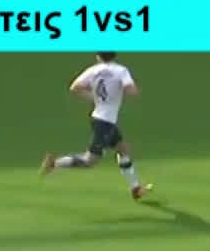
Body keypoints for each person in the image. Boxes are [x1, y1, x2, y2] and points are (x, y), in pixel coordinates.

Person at [40, 52, 149, 200]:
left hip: (100, 118)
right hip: (105, 122)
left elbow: (75, 87)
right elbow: (132, 90)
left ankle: (135, 188)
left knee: (123, 149)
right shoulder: (120, 70)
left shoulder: (93, 70)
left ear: (98, 56)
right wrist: (121, 92)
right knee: (90, 161)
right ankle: (54, 163)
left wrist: (95, 98)